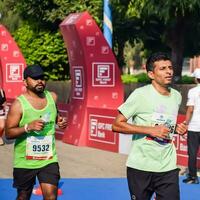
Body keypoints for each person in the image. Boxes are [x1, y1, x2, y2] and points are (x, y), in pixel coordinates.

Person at [112, 52, 187, 200]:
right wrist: (150, 130)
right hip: (141, 166)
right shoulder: (140, 95)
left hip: (168, 166)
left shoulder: (176, 96)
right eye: (163, 68)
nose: (169, 71)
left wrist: (177, 129)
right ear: (151, 74)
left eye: (170, 67)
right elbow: (116, 125)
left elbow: (165, 125)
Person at [5, 65, 67, 200]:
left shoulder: (52, 97)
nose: (40, 81)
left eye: (42, 78)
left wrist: (59, 121)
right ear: (25, 82)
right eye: (34, 78)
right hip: (25, 161)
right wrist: (28, 127)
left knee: (51, 196)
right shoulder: (19, 104)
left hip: (48, 159)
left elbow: (55, 114)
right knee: (23, 196)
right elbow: (8, 133)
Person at [182, 68, 200, 184]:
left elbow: (190, 109)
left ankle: (193, 177)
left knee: (192, 153)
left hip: (194, 126)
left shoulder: (193, 91)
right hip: (195, 126)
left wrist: (185, 124)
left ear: (196, 79)